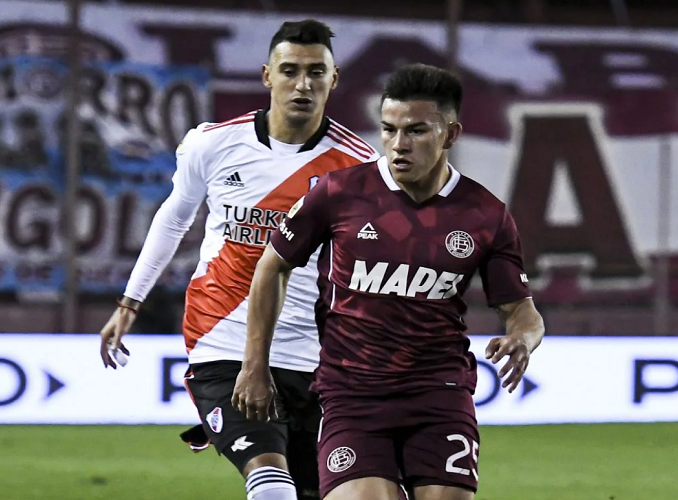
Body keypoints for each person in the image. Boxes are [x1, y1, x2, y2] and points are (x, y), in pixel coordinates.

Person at [232, 63, 545, 500]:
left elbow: (521, 309)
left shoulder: (485, 214)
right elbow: (272, 266)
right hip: (352, 396)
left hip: (440, 395)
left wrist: (522, 339)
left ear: (450, 135)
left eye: (416, 131)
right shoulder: (339, 193)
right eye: (389, 129)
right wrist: (254, 364)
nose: (399, 144)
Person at [98, 19, 378, 500]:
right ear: (267, 75)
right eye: (290, 70)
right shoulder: (213, 144)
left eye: (316, 72)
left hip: (316, 353)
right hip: (221, 339)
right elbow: (173, 220)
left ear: (334, 80)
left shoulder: (361, 166)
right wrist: (130, 302)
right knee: (270, 486)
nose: (303, 84)